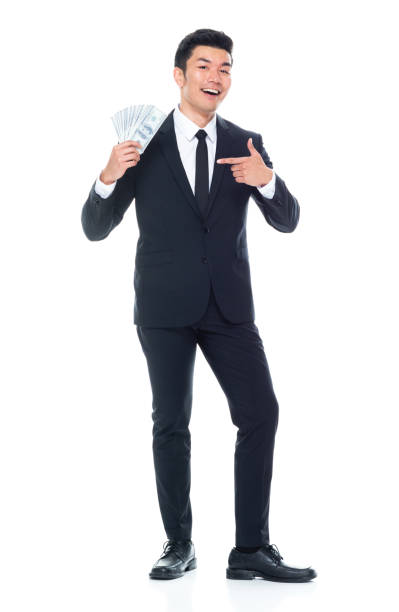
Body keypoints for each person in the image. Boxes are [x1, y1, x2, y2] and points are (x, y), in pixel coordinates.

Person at [81, 28, 317, 582]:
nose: (217, 77)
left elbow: (288, 220)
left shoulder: (246, 141)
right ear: (179, 75)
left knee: (261, 412)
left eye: (226, 68)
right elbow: (94, 229)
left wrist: (267, 180)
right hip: (163, 306)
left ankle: (251, 550)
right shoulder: (145, 142)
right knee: (172, 422)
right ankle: (178, 543)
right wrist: (108, 176)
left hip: (229, 306)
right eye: (205, 67)